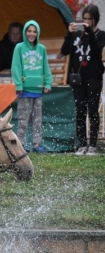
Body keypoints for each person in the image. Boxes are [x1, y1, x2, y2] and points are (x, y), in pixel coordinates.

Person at [61, 4, 105, 156]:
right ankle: (81, 144)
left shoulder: (101, 35)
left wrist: (89, 33)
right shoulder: (76, 35)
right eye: (84, 19)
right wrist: (69, 34)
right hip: (78, 78)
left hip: (93, 77)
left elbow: (96, 51)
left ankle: (92, 144)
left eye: (89, 19)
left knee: (92, 110)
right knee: (80, 111)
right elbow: (64, 51)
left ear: (95, 20)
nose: (86, 22)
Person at [11, 20, 53, 153]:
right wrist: (18, 83)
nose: (32, 34)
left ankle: (36, 144)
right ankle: (21, 144)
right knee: (23, 119)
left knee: (37, 120)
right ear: (25, 32)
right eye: (29, 31)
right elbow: (16, 67)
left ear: (38, 33)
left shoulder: (42, 49)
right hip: (24, 91)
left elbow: (46, 67)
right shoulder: (19, 47)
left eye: (34, 31)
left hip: (38, 90)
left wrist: (48, 82)